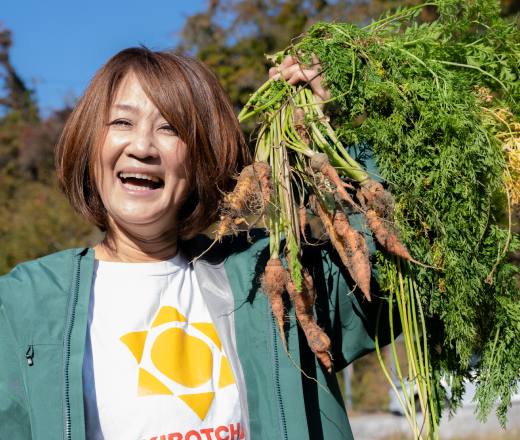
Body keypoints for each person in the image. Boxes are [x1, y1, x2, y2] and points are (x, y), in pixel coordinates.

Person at [0, 47, 396, 440]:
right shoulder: (23, 302)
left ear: (201, 158)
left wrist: (336, 127)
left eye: (170, 128)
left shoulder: (270, 273)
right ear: (90, 144)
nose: (142, 147)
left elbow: (390, 271)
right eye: (122, 121)